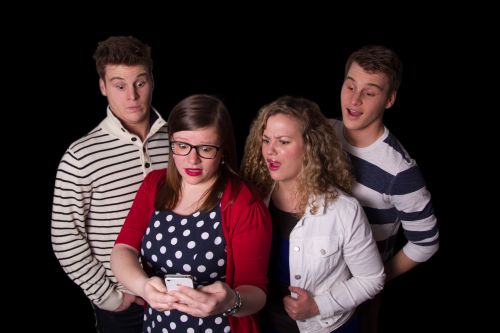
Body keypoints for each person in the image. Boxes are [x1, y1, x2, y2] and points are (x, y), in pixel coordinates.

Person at [110, 94, 273, 333]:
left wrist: (231, 301)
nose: (192, 159)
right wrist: (143, 286)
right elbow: (123, 249)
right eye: (183, 146)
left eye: (206, 148)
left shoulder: (243, 203)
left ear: (223, 150)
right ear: (171, 143)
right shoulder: (154, 185)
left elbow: (257, 292)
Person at [51, 36, 170, 333]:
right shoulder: (80, 155)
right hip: (125, 305)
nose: (132, 95)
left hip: (179, 294)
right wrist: (109, 297)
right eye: (119, 85)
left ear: (152, 81)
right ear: (103, 87)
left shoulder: (179, 142)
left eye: (140, 83)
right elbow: (65, 236)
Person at [241, 96, 385, 333]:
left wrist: (318, 306)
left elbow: (372, 279)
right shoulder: (252, 199)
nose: (270, 151)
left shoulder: (343, 210)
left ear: (310, 146)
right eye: (266, 140)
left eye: (283, 142)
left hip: (326, 326)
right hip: (266, 323)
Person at [331, 45, 440, 333]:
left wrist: (375, 278)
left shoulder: (400, 171)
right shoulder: (323, 133)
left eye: (369, 92)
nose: (354, 100)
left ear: (389, 99)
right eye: (350, 86)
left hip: (357, 300)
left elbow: (426, 242)